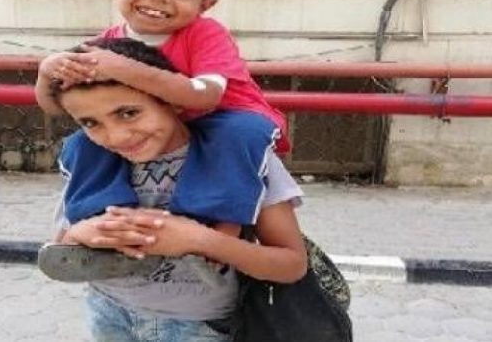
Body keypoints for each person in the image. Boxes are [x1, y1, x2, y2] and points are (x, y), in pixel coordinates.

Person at [43, 38, 307, 341]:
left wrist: (198, 240)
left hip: (198, 326)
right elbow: (60, 245)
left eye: (128, 113)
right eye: (91, 123)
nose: (116, 137)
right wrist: (83, 234)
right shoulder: (91, 158)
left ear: (173, 100)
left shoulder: (240, 155)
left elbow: (292, 265)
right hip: (108, 311)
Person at [34, 0, 290, 230]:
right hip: (162, 123)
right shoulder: (106, 44)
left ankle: (218, 230)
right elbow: (57, 106)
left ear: (204, 5)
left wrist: (125, 69)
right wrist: (46, 75)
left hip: (225, 117)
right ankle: (101, 219)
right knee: (81, 142)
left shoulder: (205, 33)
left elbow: (206, 96)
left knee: (235, 134)